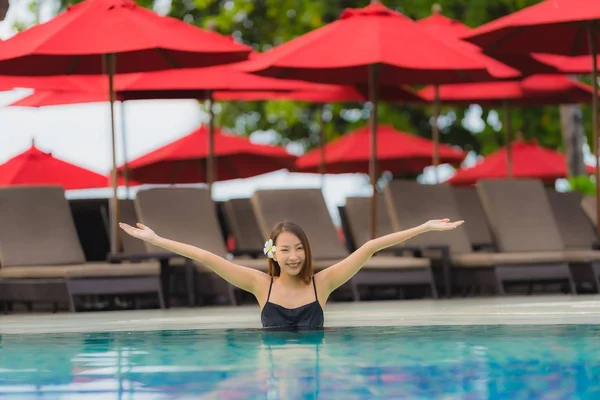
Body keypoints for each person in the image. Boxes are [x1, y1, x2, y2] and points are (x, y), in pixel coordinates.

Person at [119, 218, 463, 330]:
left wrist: (424, 228)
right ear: (273, 253)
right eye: (285, 250)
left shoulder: (322, 284)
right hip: (273, 377)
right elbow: (206, 256)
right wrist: (157, 239)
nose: (294, 256)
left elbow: (370, 246)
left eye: (298, 248)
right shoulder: (259, 284)